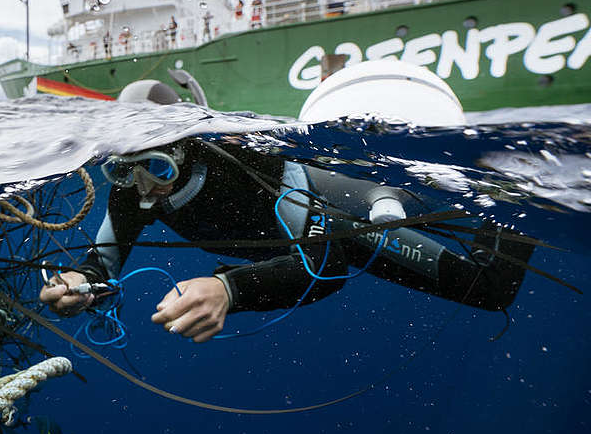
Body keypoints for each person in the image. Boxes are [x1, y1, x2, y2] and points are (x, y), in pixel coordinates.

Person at [40, 82, 534, 343]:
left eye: (155, 167)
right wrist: (79, 284)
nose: (143, 186)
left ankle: (514, 193)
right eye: (124, 172)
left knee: (488, 289)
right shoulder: (130, 192)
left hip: (335, 223)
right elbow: (102, 263)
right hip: (293, 245)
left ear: (185, 151)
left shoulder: (241, 162)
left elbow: (326, 263)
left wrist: (228, 288)